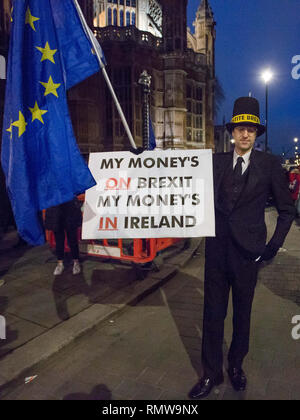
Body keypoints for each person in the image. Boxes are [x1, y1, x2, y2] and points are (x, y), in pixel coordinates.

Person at [188, 97, 295, 399]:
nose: (245, 134)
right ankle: (210, 374)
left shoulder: (270, 165)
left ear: (256, 133)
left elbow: (287, 211)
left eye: (250, 129)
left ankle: (236, 366)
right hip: (217, 253)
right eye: (240, 128)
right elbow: (183, 184)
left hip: (249, 255)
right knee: (212, 315)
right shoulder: (214, 162)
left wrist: (272, 248)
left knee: (242, 316)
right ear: (232, 131)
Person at [45, 198, 82, 276]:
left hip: (70, 211)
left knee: (72, 240)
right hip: (56, 213)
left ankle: (76, 261)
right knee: (59, 241)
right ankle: (60, 263)